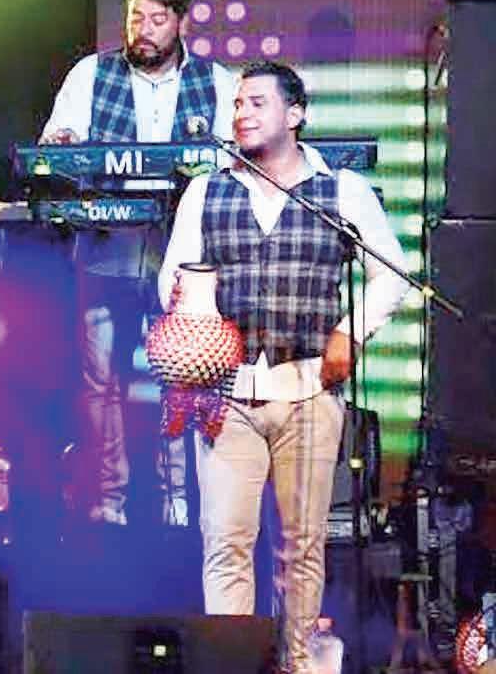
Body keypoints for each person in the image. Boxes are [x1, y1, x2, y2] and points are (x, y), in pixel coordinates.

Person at [157, 61, 408, 671]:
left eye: (257, 103)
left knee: (301, 547)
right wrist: (193, 313)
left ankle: (296, 662)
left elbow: (392, 275)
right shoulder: (206, 191)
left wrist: (351, 331)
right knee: (226, 542)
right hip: (225, 395)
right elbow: (172, 280)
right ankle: (233, 664)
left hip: (309, 391)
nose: (241, 114)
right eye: (237, 104)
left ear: (295, 114)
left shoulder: (340, 190)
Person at [40, 0, 235, 526]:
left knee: (184, 376)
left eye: (157, 19)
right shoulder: (90, 74)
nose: (143, 30)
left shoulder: (217, 82)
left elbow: (230, 163)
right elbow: (57, 149)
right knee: (101, 380)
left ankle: (178, 501)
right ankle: (110, 501)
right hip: (107, 247)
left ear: (182, 23)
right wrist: (64, 145)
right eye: (135, 18)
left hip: (184, 254)